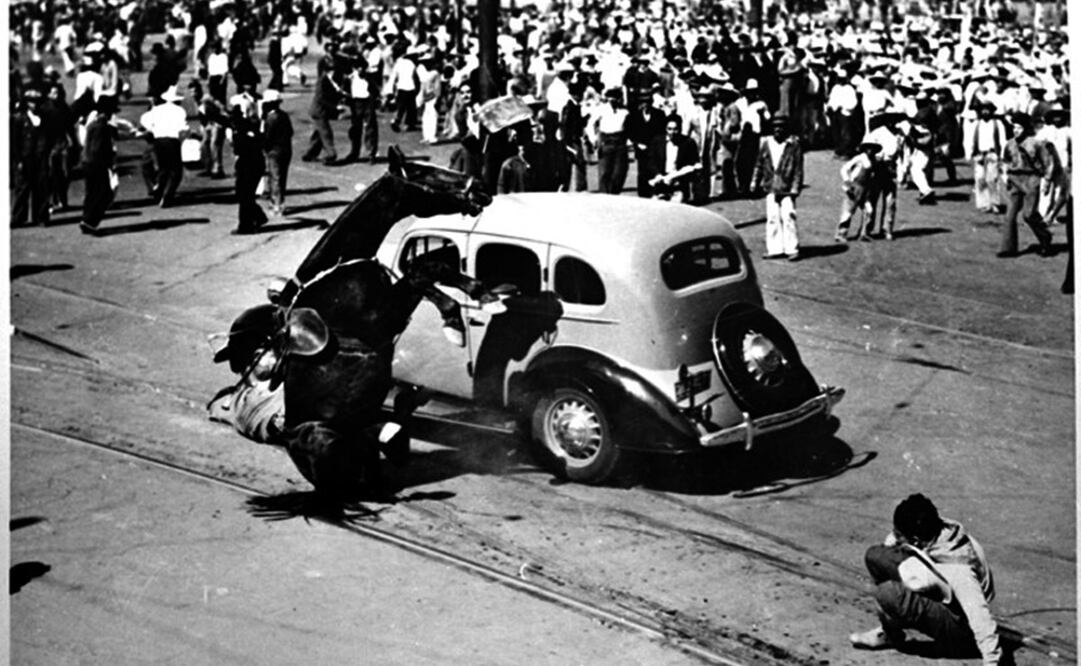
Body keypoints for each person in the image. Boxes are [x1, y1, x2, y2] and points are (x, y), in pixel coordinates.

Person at [850, 494, 1002, 665]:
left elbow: (981, 619)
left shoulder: (960, 570)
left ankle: (896, 624)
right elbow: (892, 543)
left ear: (915, 540)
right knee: (875, 556)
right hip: (939, 584)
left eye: (898, 534)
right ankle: (891, 634)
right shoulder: (933, 527)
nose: (894, 537)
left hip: (960, 621)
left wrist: (991, 660)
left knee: (888, 593)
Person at [997, 112, 1055, 258]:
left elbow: (1048, 163)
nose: (1016, 130)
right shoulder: (1009, 144)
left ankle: (1045, 237)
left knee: (1029, 214)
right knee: (1010, 215)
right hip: (1014, 179)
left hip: (1031, 179)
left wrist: (1046, 181)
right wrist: (1005, 175)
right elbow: (1005, 161)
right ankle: (1008, 248)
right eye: (1014, 127)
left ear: (1026, 128)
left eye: (1019, 127)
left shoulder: (1036, 143)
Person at [751, 116, 804, 261]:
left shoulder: (793, 145)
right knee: (773, 217)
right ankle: (775, 248)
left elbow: (798, 169)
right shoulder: (767, 144)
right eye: (775, 127)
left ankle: (791, 248)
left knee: (788, 216)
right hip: (771, 185)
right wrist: (754, 182)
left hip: (786, 185)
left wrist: (795, 188)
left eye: (781, 127)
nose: (778, 130)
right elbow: (759, 164)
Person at [139, 85, 189, 207]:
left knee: (163, 167)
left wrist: (153, 129)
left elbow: (145, 120)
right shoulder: (179, 111)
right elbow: (184, 127)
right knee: (176, 171)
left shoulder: (157, 109)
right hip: (172, 140)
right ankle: (167, 195)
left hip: (158, 140)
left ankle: (159, 188)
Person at [834, 141, 882, 243]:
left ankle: (864, 233)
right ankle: (841, 234)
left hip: (866, 189)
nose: (870, 151)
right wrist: (847, 181)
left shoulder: (874, 160)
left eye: (872, 149)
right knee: (848, 212)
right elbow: (845, 168)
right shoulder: (860, 158)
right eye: (868, 148)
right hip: (855, 186)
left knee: (869, 210)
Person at [301, 56, 344, 165]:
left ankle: (310, 154)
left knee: (318, 134)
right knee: (326, 133)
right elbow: (321, 99)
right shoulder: (322, 81)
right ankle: (331, 155)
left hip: (319, 111)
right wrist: (335, 108)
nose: (333, 72)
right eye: (331, 70)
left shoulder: (327, 80)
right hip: (319, 111)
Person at [966, 102, 1007, 214]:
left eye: (988, 110)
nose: (985, 112)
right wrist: (969, 153)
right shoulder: (976, 124)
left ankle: (995, 203)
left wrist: (1002, 155)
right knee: (980, 179)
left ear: (992, 111)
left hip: (993, 154)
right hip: (979, 154)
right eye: (983, 110)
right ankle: (984, 203)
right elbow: (969, 139)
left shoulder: (997, 123)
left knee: (992, 179)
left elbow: (1003, 141)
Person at [648, 114, 700, 203]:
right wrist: (657, 175)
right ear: (665, 128)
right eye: (669, 129)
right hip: (660, 184)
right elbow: (650, 161)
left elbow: (694, 164)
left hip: (678, 185)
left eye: (675, 129)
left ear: (680, 129)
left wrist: (677, 177)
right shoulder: (657, 141)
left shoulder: (688, 143)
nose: (672, 132)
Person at [626, 90, 667, 198]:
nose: (645, 105)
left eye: (648, 102)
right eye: (643, 102)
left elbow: (662, 131)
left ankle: (657, 192)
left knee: (656, 169)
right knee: (643, 171)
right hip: (641, 148)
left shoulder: (659, 114)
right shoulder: (634, 115)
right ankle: (643, 194)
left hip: (656, 148)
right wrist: (637, 143)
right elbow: (630, 131)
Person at [261, 89, 293, 216]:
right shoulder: (284, 115)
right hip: (286, 149)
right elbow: (290, 132)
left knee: (275, 177)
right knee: (282, 177)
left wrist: (264, 147)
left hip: (274, 151)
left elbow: (267, 137)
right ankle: (280, 202)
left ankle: (276, 204)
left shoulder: (270, 118)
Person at [592, 88, 629, 195]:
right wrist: (593, 139)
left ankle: (614, 194)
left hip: (620, 142)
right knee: (604, 172)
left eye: (616, 98)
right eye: (610, 98)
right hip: (606, 141)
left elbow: (629, 127)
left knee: (619, 172)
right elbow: (590, 123)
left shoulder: (625, 111)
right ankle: (604, 196)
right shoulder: (601, 109)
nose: (613, 100)